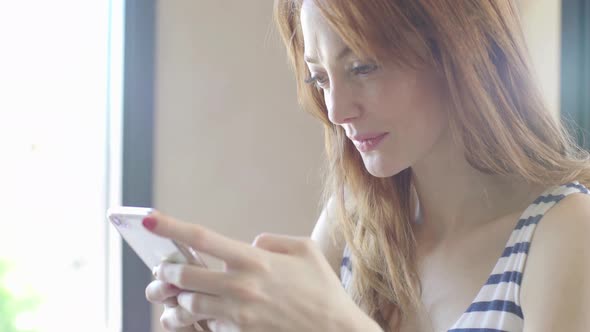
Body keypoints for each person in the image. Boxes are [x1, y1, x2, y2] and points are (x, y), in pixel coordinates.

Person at [144, 0, 590, 331]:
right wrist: (216, 317)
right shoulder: (354, 219)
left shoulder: (567, 230)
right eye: (319, 78)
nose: (336, 110)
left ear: (461, 50)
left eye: (362, 67)